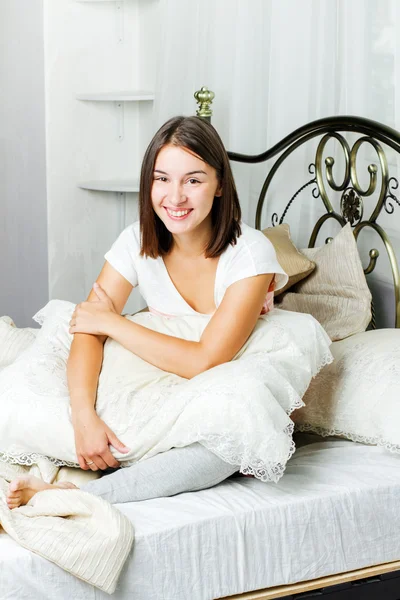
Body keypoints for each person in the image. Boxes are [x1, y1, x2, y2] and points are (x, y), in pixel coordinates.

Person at [6, 115, 288, 509]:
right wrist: (83, 416)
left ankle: (84, 496)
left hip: (220, 374)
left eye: (193, 180)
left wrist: (113, 322)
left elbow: (205, 360)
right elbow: (88, 328)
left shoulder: (251, 253)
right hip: (157, 372)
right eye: (162, 179)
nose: (175, 197)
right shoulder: (137, 239)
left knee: (235, 440)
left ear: (220, 183)